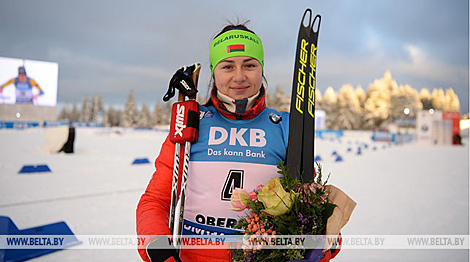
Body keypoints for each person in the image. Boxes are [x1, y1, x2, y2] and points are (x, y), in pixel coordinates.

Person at [137, 23, 341, 262]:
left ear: (261, 69)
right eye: (227, 66)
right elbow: (156, 201)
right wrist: (159, 250)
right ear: (214, 72)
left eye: (250, 65)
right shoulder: (191, 122)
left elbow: (310, 207)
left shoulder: (285, 126)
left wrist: (321, 243)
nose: (239, 76)